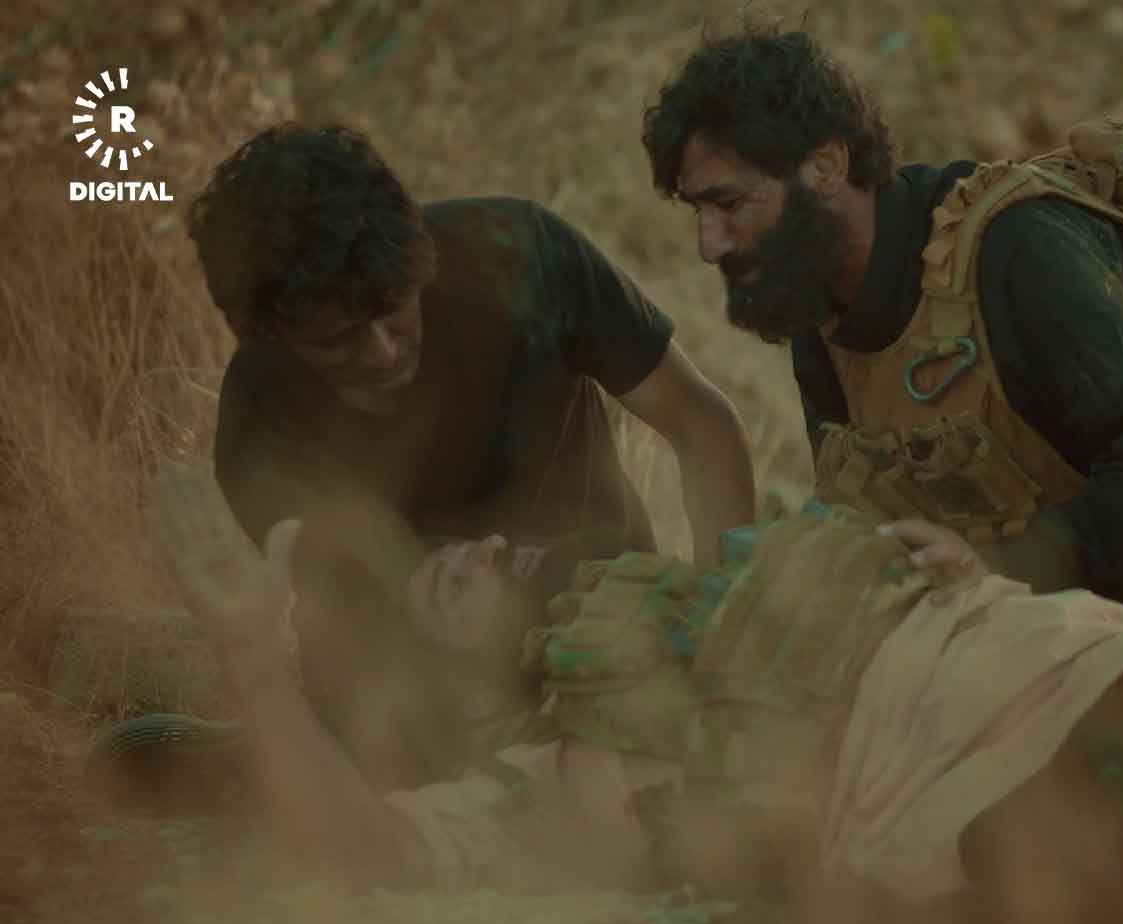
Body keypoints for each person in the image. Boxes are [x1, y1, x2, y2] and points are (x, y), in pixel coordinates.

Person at [146, 462, 1123, 924]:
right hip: (1012, 800)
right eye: (448, 581)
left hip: (1096, 656)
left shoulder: (691, 583)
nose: (486, 547)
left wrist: (958, 560)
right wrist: (257, 670)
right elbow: (367, 847)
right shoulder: (546, 780)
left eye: (478, 541)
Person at [638, 26, 1123, 667]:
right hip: (1108, 633)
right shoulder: (822, 318)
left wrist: (992, 571)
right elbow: (869, 525)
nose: (709, 244)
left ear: (824, 167)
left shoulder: (1018, 247)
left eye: (730, 204)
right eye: (696, 212)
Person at [163, 122, 756, 789]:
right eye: (337, 340)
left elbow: (701, 427)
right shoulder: (261, 426)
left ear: (418, 261)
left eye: (393, 308)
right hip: (415, 700)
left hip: (604, 639)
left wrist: (724, 634)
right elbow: (356, 632)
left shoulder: (518, 257)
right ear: (274, 338)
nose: (383, 351)